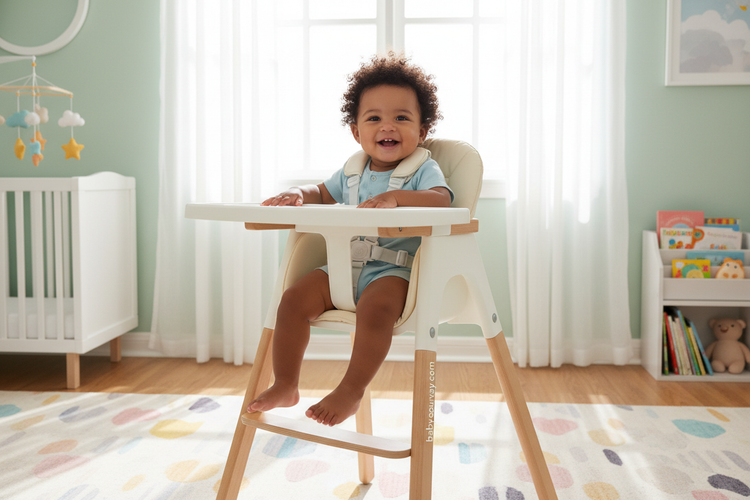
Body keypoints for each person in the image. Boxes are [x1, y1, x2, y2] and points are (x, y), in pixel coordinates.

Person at [248, 53, 453, 426]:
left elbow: (442, 200)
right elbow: (321, 193)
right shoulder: (352, 171)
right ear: (357, 132)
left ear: (422, 131)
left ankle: (351, 389)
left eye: (401, 118)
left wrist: (397, 198)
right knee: (291, 301)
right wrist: (297, 193)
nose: (387, 126)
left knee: (376, 312)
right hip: (344, 267)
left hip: (394, 271)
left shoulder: (422, 168)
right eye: (374, 118)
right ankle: (286, 383)